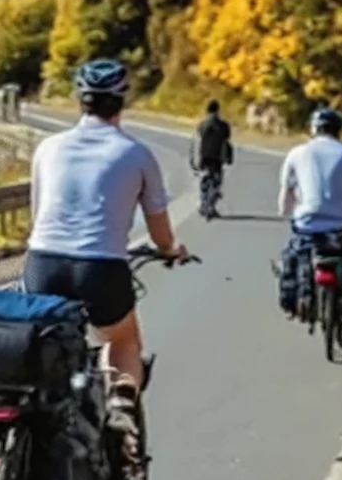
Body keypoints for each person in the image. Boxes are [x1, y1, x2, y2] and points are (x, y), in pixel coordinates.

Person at [23, 58, 189, 417]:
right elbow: (160, 230)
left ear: (79, 99)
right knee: (123, 342)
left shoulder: (48, 148)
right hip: (100, 269)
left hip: (42, 263)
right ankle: (121, 407)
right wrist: (171, 249)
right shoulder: (137, 154)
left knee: (46, 340)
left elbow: (38, 218)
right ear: (122, 101)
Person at [277, 104, 342, 314]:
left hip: (306, 226)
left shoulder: (297, 153)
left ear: (313, 129)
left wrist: (288, 213)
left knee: (294, 254)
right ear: (339, 130)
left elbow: (285, 198)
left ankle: (301, 299)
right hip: (341, 227)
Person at [191, 100, 234, 200]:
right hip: (218, 156)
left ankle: (203, 198)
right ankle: (213, 196)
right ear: (218, 111)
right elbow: (227, 140)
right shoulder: (223, 125)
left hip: (203, 156)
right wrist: (228, 158)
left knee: (204, 177)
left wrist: (194, 160)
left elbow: (197, 141)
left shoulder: (202, 125)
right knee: (217, 178)